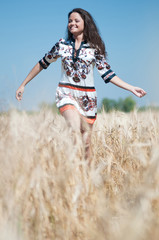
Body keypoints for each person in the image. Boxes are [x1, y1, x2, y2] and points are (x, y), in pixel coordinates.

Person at [16, 8, 146, 162]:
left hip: (87, 100)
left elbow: (108, 74)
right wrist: (23, 84)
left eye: (76, 20)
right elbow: (42, 63)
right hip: (66, 94)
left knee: (86, 145)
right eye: (70, 21)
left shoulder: (95, 49)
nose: (72, 23)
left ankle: (85, 177)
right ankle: (70, 168)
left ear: (85, 23)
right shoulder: (61, 45)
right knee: (73, 127)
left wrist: (131, 87)